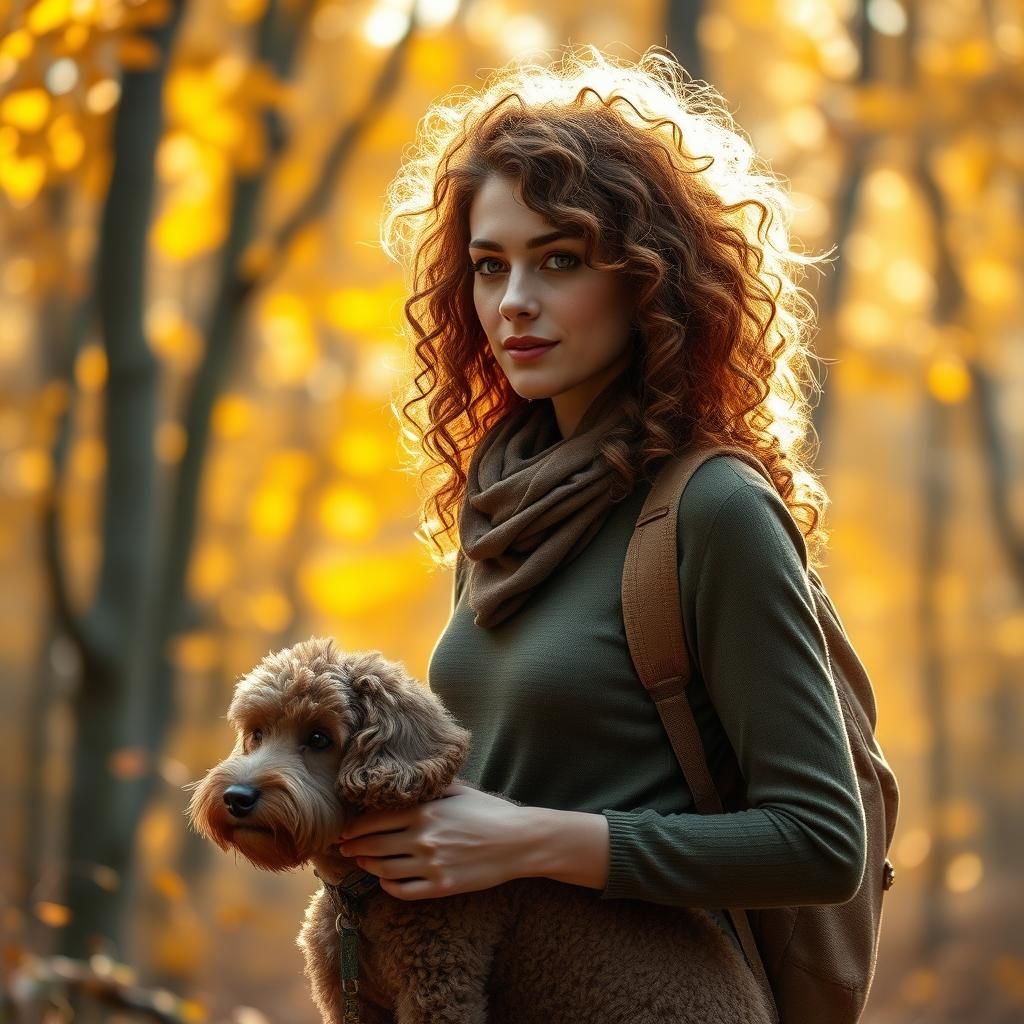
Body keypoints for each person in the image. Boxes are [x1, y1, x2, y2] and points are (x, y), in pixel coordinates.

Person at [336, 42, 866, 997]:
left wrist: (530, 842)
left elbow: (819, 841)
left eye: (560, 260)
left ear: (646, 276)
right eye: (489, 268)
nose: (514, 304)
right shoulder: (504, 504)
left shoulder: (712, 511)